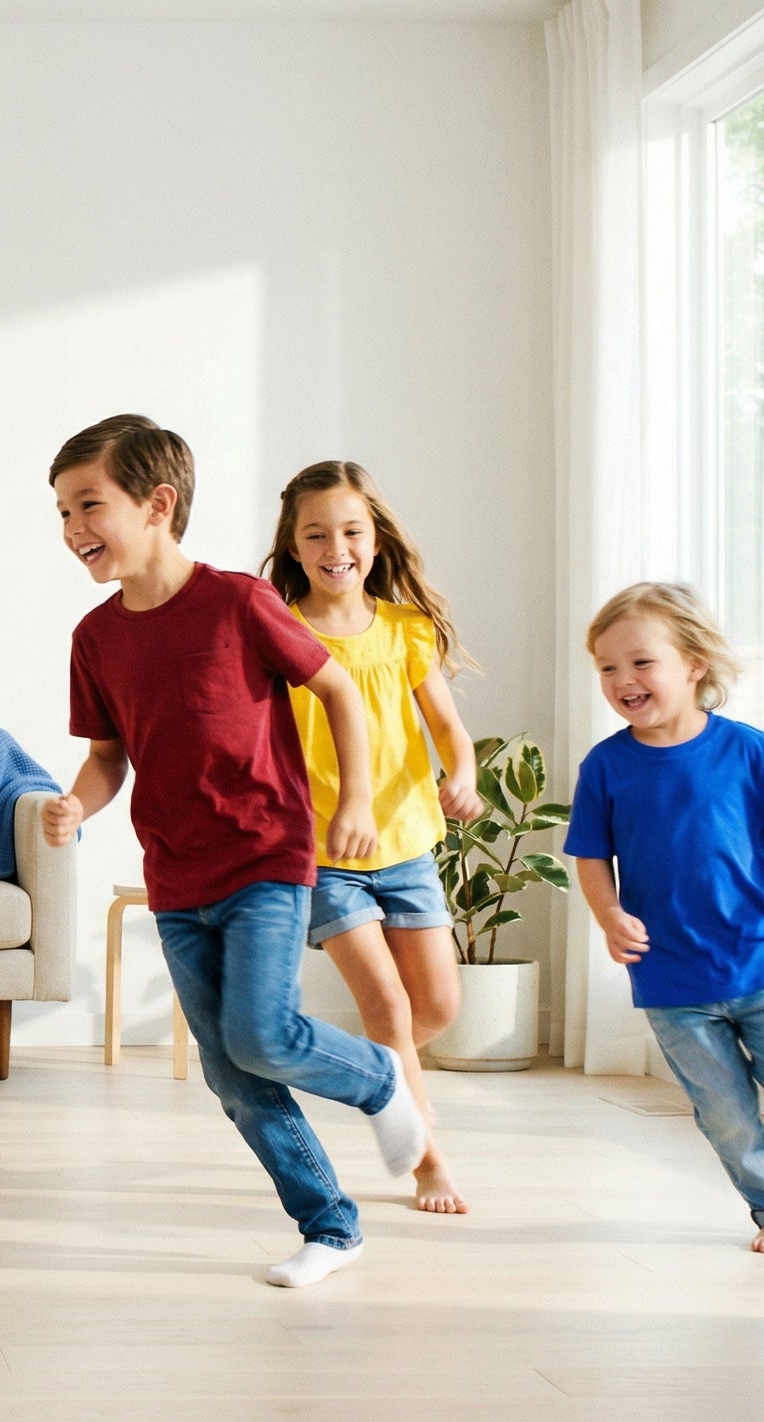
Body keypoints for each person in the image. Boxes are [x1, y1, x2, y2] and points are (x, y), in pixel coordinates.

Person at [41, 415, 426, 1289]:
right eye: (62, 511)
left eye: (89, 505)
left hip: (265, 858)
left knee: (262, 1033)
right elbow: (109, 759)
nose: (72, 529)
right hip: (176, 875)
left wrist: (357, 800)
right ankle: (331, 1226)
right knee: (231, 1071)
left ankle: (378, 1079)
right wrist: (76, 804)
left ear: (158, 504)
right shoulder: (95, 640)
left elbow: (336, 689)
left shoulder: (238, 603)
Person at [563, 581, 764, 1256]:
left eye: (641, 662)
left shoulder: (747, 751)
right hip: (671, 980)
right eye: (608, 668)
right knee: (725, 1113)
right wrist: (610, 914)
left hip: (759, 958)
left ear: (694, 665)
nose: (623, 680)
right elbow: (589, 856)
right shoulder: (606, 767)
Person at [261, 460, 483, 1216]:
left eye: (351, 530)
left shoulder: (405, 632)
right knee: (387, 1008)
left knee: (438, 1009)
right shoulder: (278, 629)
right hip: (325, 855)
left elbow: (450, 730)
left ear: (376, 540)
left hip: (410, 844)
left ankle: (380, 1076)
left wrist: (464, 778)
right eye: (315, 533)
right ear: (293, 546)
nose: (336, 547)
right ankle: (427, 1160)